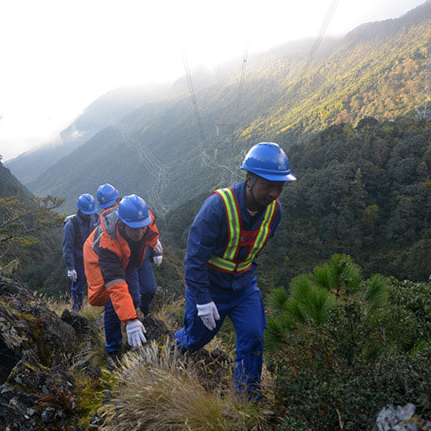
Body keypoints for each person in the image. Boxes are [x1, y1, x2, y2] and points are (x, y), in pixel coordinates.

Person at [174, 142, 296, 400]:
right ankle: (175, 347)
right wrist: (202, 299)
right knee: (196, 338)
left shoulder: (275, 212)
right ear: (249, 178)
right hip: (210, 288)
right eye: (268, 184)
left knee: (253, 336)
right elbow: (194, 259)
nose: (275, 193)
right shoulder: (218, 207)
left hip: (244, 287)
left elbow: (254, 249)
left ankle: (246, 399)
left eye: (280, 186)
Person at [84, 194, 160, 358]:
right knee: (111, 303)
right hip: (99, 259)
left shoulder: (145, 218)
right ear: (122, 224)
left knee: (136, 298)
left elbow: (151, 229)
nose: (139, 233)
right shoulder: (108, 244)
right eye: (134, 229)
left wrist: (154, 244)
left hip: (129, 258)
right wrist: (130, 320)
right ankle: (113, 350)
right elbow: (116, 285)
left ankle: (134, 322)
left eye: (142, 227)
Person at [62, 193, 100, 312]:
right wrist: (71, 267)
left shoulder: (96, 218)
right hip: (80, 261)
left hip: (95, 259)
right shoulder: (71, 225)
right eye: (86, 213)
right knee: (78, 288)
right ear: (79, 209)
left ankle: (99, 309)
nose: (89, 216)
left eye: (91, 213)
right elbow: (68, 247)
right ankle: (76, 311)